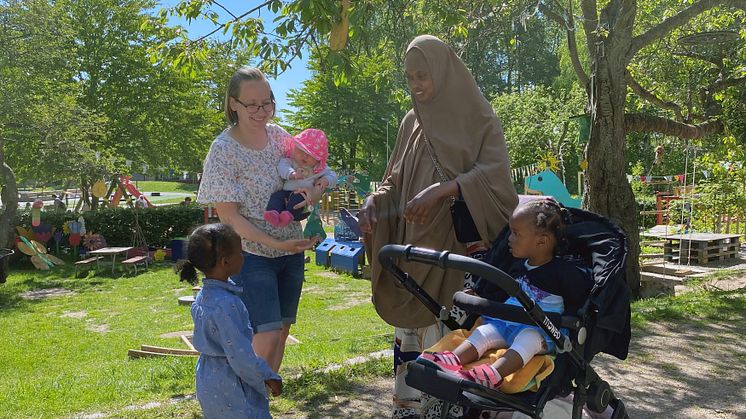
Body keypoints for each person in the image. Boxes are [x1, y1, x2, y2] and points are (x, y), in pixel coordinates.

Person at [357, 35, 518, 417]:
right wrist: (373, 201)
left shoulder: (479, 118)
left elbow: (496, 178)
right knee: (414, 336)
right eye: (410, 76)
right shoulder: (411, 121)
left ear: (444, 72)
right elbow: (393, 181)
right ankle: (412, 409)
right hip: (414, 250)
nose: (415, 85)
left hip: (457, 255)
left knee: (452, 335)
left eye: (423, 76)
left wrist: (444, 190)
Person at [197, 66, 320, 373]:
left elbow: (309, 172)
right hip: (251, 256)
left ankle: (261, 402)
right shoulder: (223, 150)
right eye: (251, 104)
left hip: (290, 252)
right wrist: (276, 242)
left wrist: (314, 193)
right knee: (263, 334)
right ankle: (244, 401)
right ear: (233, 104)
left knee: (281, 333)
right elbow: (230, 218)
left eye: (267, 102)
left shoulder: (280, 138)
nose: (261, 111)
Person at [418, 200, 593, 390]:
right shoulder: (518, 266)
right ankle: (453, 359)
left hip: (542, 330)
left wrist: (569, 325)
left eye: (516, 234)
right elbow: (501, 292)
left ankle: (495, 373)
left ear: (541, 241)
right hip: (508, 323)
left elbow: (578, 300)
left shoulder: (564, 272)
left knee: (528, 338)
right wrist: (479, 294)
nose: (509, 239)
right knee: (484, 332)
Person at [176, 223, 282, 419]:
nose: (243, 257)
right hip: (231, 382)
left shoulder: (203, 297)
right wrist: (267, 376)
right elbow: (240, 356)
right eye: (240, 252)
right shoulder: (227, 304)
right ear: (225, 262)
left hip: (208, 378)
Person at [264, 128, 337, 228]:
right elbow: (282, 166)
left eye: (310, 155)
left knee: (297, 200)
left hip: (304, 197)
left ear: (318, 159)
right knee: (276, 197)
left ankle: (288, 215)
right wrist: (292, 174)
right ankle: (273, 213)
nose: (304, 156)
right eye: (301, 151)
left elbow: (333, 175)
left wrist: (325, 180)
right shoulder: (291, 161)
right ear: (294, 149)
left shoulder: (319, 168)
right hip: (286, 192)